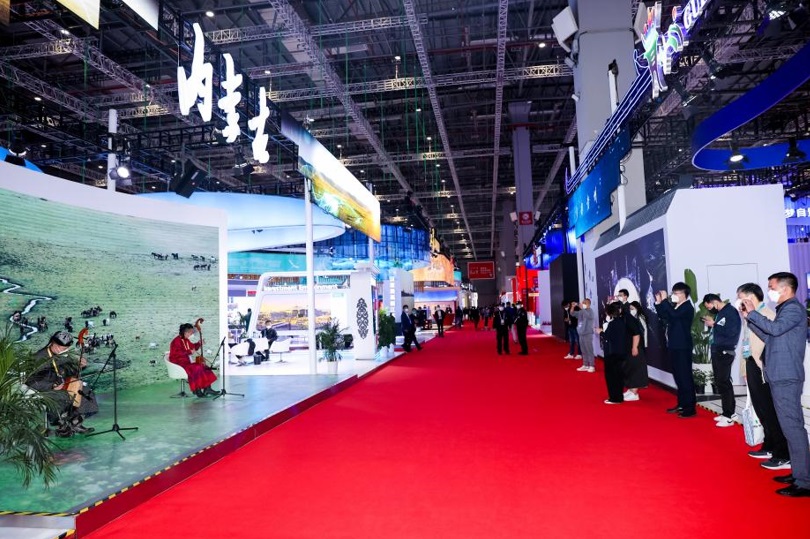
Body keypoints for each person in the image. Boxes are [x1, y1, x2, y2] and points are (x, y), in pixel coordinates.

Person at [740, 272, 810, 497]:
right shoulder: (784, 309)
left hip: (786, 376)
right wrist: (750, 319)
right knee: (789, 427)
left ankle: (804, 482)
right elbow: (770, 337)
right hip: (779, 375)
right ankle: (799, 473)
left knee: (793, 428)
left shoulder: (793, 309)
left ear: (785, 289)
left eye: (771, 287)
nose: (768, 291)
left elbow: (775, 329)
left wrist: (753, 313)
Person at [736, 283, 790, 470]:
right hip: (752, 365)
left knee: (770, 410)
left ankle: (782, 453)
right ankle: (769, 445)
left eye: (741, 297)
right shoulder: (749, 316)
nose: (739, 301)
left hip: (764, 369)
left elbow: (770, 345)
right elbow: (746, 344)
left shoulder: (767, 315)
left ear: (751, 297)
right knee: (761, 410)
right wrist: (744, 370)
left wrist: (760, 368)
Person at [26, 331, 97, 436]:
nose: (63, 351)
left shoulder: (62, 355)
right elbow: (30, 380)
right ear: (53, 343)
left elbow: (69, 372)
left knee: (86, 392)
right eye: (62, 348)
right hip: (42, 389)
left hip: (62, 385)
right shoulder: (38, 357)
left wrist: (80, 366)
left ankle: (76, 423)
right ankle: (62, 426)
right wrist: (52, 386)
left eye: (66, 348)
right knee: (63, 396)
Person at [654, 283, 697, 418]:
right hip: (674, 345)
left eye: (677, 293)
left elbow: (674, 315)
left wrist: (665, 301)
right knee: (678, 376)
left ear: (685, 295)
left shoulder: (687, 307)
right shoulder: (675, 307)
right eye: (673, 293)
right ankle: (682, 404)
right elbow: (664, 316)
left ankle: (690, 408)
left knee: (685, 377)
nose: (674, 295)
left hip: (683, 346)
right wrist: (659, 302)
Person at [702, 293, 742, 427]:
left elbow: (731, 331)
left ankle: (728, 415)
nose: (710, 309)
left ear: (714, 302)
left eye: (709, 307)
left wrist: (714, 325)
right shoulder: (721, 312)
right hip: (718, 350)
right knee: (722, 382)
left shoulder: (730, 312)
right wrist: (714, 324)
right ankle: (729, 412)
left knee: (723, 382)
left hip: (725, 351)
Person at [598, 302, 640, 404]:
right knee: (619, 375)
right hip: (622, 353)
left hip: (612, 354)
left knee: (612, 377)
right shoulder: (623, 322)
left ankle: (614, 398)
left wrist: (600, 332)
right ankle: (618, 396)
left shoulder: (612, 324)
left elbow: (607, 337)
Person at [169, 323, 220, 397]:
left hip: (186, 363)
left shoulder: (186, 340)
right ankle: (197, 390)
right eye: (190, 332)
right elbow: (177, 354)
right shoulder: (176, 341)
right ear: (185, 332)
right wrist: (189, 352)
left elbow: (192, 347)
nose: (191, 334)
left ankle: (207, 388)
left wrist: (199, 343)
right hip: (179, 364)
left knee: (203, 366)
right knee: (197, 368)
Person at [623, 301, 650, 401]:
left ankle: (634, 392)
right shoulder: (630, 318)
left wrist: (637, 346)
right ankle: (631, 389)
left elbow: (642, 333)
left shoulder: (640, 317)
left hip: (638, 346)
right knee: (631, 368)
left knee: (636, 369)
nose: (630, 310)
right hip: (632, 345)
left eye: (632, 308)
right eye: (629, 309)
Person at [573, 299, 596, 373]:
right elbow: (572, 313)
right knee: (583, 350)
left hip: (588, 333)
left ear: (588, 304)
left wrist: (582, 309)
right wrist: (572, 306)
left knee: (589, 350)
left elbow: (588, 316)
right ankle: (585, 365)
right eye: (582, 303)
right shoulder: (581, 311)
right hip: (581, 333)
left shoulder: (590, 311)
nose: (583, 304)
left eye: (584, 303)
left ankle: (592, 366)